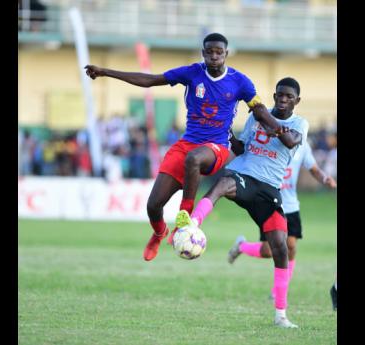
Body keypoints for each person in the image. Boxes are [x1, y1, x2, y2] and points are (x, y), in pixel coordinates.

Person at [85, 33, 287, 261]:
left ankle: (184, 218)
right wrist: (105, 72)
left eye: (219, 52)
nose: (214, 56)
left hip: (217, 146)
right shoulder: (192, 73)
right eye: (209, 52)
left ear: (226, 54)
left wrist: (278, 127)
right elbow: (150, 80)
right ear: (203, 53)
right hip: (187, 143)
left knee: (195, 158)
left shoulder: (240, 81)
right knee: (153, 206)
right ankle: (159, 233)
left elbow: (259, 110)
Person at [175, 77, 307, 328]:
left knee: (279, 249)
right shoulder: (256, 116)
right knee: (222, 184)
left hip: (269, 189)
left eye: (289, 96)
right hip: (246, 176)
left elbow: (291, 141)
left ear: (296, 101)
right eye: (279, 94)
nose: (283, 99)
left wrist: (273, 127)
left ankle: (281, 316)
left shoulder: (299, 123)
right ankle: (192, 223)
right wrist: (226, 136)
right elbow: (242, 147)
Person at [226, 139, 337, 301]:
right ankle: (242, 246)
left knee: (290, 247)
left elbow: (313, 169)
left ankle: (277, 291)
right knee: (268, 251)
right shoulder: (268, 141)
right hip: (269, 203)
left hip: (291, 205)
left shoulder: (302, 146)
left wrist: (325, 179)